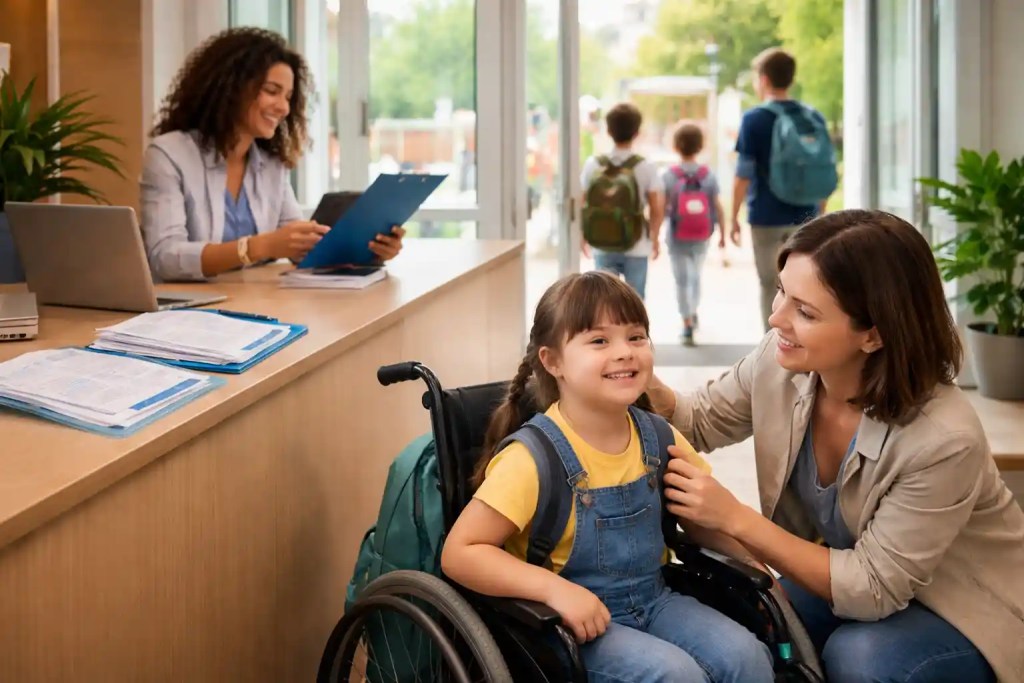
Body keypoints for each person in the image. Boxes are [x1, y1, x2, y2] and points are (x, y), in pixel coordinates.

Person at [648, 210, 1024, 682]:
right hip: (863, 581)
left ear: (874, 333)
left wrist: (733, 517)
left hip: (968, 607)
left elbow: (871, 587)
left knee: (859, 655)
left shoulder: (944, 439)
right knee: (746, 620)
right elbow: (699, 419)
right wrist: (641, 380)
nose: (776, 317)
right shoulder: (779, 359)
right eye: (783, 291)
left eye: (805, 311)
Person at [441, 271, 774, 683]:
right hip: (565, 623)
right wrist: (554, 591)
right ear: (552, 361)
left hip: (655, 600)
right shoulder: (533, 458)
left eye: (636, 337)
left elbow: (703, 521)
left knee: (747, 657)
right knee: (677, 676)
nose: (624, 352)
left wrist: (753, 567)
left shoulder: (657, 435)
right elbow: (461, 552)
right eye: (599, 341)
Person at [141, 27, 404, 281]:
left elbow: (299, 249)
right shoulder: (168, 154)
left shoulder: (271, 165)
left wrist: (371, 250)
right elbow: (164, 257)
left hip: (255, 305)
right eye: (272, 91)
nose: (284, 108)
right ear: (231, 88)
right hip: (188, 315)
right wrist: (257, 247)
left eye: (288, 96)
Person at [733, 48, 834, 330]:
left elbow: (743, 174)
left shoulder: (754, 119)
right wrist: (819, 211)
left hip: (766, 216)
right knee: (806, 288)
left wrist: (733, 216)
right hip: (807, 215)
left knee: (771, 286)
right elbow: (822, 168)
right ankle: (806, 343)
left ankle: (774, 350)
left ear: (763, 79)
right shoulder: (812, 116)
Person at [580, 103, 665, 299]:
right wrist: (654, 237)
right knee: (635, 301)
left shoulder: (593, 164)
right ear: (636, 132)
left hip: (602, 241)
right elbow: (656, 207)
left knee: (605, 301)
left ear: (608, 131)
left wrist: (582, 234)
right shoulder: (645, 166)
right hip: (636, 244)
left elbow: (581, 202)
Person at [663, 123, 728, 346]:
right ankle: (693, 311)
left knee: (682, 280)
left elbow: (661, 207)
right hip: (702, 235)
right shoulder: (707, 175)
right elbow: (717, 206)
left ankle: (687, 322)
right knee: (695, 276)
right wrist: (723, 233)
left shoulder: (669, 176)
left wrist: (653, 235)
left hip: (677, 236)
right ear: (700, 146)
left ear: (675, 146)